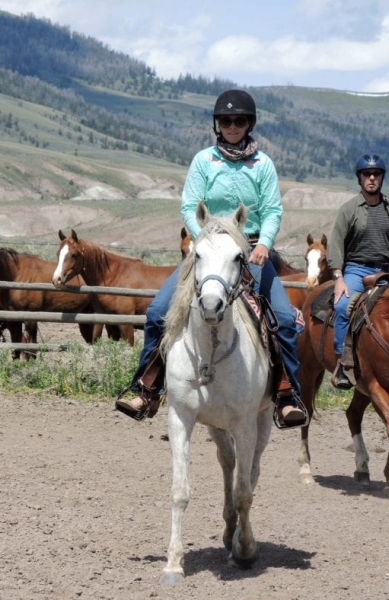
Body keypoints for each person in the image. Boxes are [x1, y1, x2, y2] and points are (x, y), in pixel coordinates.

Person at [115, 89, 307, 429]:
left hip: (249, 250)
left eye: (239, 120)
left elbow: (273, 209)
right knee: (159, 312)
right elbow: (190, 205)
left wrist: (264, 243)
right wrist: (201, 238)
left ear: (249, 124)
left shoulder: (263, 165)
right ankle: (146, 386)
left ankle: (286, 393)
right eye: (226, 121)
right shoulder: (204, 161)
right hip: (207, 250)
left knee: (284, 320)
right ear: (217, 125)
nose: (232, 126)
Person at [327, 153, 389, 389]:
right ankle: (343, 361)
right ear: (359, 178)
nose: (371, 178)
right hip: (358, 269)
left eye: (376, 174)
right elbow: (335, 244)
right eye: (366, 174)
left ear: (382, 178)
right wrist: (338, 277)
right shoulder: (349, 209)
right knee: (342, 306)